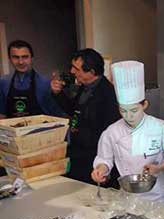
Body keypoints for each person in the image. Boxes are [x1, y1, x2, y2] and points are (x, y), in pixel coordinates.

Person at [91, 61, 164, 206]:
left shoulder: (162, 129)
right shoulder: (112, 132)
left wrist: (158, 168)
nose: (128, 116)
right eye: (123, 111)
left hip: (160, 200)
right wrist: (100, 170)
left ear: (144, 105)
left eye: (134, 110)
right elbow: (104, 159)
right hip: (127, 199)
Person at [51, 48, 120, 185]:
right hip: (77, 152)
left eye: (77, 69)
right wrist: (58, 94)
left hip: (92, 157)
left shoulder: (108, 94)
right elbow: (74, 110)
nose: (72, 72)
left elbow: (109, 133)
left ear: (91, 72)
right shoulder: (85, 86)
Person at [0, 40, 65, 118]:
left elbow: (58, 116)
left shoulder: (45, 83)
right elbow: (2, 115)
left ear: (32, 58)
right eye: (16, 57)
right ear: (10, 59)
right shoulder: (4, 82)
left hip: (41, 129)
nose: (20, 62)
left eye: (25, 57)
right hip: (13, 129)